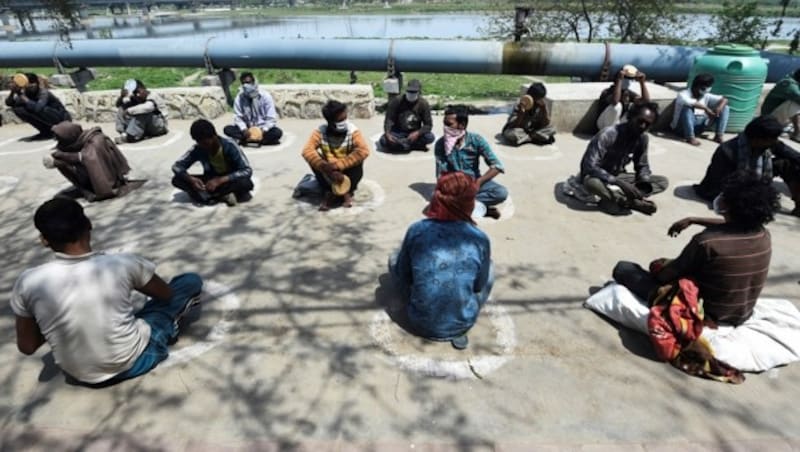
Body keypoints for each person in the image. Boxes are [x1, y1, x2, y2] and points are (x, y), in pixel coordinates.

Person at [11, 197, 203, 385]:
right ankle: (168, 330)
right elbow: (166, 294)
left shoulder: (28, 281)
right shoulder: (121, 263)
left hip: (78, 374)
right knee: (188, 282)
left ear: (44, 240)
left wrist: (53, 315)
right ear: (88, 225)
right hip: (135, 361)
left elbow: (27, 346)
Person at [613, 171, 779, 326]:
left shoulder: (706, 242)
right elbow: (733, 225)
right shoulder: (763, 234)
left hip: (704, 312)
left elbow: (665, 276)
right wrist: (694, 220)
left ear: (729, 204)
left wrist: (660, 267)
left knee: (625, 268)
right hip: (742, 313)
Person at [389, 171, 493, 350]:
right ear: (470, 203)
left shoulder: (417, 230)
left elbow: (404, 276)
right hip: (463, 323)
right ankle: (457, 328)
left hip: (418, 321)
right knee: (489, 268)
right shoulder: (479, 238)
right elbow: (478, 286)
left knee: (394, 258)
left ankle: (428, 309)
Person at [693, 115, 800, 216]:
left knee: (788, 164)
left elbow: (794, 156)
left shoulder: (768, 143)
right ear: (758, 138)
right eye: (772, 139)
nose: (775, 142)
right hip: (725, 187)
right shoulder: (727, 151)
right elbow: (722, 184)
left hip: (751, 178)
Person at [578, 102, 669, 215]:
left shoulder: (642, 138)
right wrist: (618, 183)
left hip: (619, 176)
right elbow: (589, 166)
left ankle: (616, 198)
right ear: (630, 117)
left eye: (647, 124)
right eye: (640, 121)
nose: (642, 126)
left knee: (662, 181)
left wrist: (642, 183)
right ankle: (627, 202)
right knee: (591, 183)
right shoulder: (608, 134)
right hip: (599, 177)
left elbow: (642, 165)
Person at [435, 105, 508, 219]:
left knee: (500, 193)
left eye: (449, 124)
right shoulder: (440, 144)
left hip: (474, 181)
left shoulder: (476, 140)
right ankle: (480, 209)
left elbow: (497, 166)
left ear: (462, 125)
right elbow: (441, 174)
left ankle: (466, 207)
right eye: (444, 123)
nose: (445, 127)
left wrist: (478, 182)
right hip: (454, 186)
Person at [301, 100, 370, 211]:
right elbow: (307, 151)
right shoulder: (320, 131)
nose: (344, 122)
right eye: (340, 120)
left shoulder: (353, 131)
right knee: (313, 159)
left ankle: (347, 191)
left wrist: (338, 166)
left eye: (345, 118)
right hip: (328, 172)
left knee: (358, 159)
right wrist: (324, 166)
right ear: (330, 121)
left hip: (348, 171)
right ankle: (331, 191)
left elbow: (364, 151)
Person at [172, 119, 254, 207]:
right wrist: (191, 180)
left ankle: (209, 196)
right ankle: (221, 195)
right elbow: (177, 166)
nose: (203, 147)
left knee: (246, 183)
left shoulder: (229, 145)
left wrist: (220, 180)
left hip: (229, 179)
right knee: (177, 179)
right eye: (200, 143)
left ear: (214, 136)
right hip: (209, 180)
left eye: (206, 143)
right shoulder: (198, 148)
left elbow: (247, 170)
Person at [43, 121, 133, 202]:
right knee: (61, 160)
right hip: (97, 169)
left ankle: (92, 187)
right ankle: (86, 185)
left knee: (61, 161)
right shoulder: (79, 139)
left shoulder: (95, 141)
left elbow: (87, 159)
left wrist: (60, 158)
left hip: (108, 177)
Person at [223, 72, 283, 146]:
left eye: (248, 83)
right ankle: (256, 140)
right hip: (247, 129)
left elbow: (271, 118)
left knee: (277, 132)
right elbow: (238, 117)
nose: (246, 85)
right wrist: (244, 129)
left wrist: (263, 131)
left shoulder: (265, 96)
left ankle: (251, 140)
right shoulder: (239, 97)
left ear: (254, 82)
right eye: (243, 83)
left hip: (262, 129)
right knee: (227, 129)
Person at [5, 73, 70, 139]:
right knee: (18, 109)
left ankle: (58, 130)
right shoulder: (26, 93)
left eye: (32, 84)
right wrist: (12, 92)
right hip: (49, 118)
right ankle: (46, 132)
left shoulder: (43, 93)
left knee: (43, 109)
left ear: (37, 83)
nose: (30, 86)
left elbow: (37, 108)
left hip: (61, 119)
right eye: (28, 84)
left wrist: (21, 95)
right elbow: (10, 103)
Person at [671, 73, 730, 146]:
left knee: (725, 108)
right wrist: (706, 109)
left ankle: (719, 135)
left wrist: (719, 108)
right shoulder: (683, 94)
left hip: (699, 126)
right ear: (697, 86)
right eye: (704, 88)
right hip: (681, 128)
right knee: (687, 109)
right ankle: (690, 137)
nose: (706, 90)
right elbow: (692, 103)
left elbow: (724, 99)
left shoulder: (705, 95)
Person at [379, 79, 435, 152]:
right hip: (398, 132)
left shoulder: (423, 104)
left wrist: (418, 133)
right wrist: (388, 133)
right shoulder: (396, 101)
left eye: (414, 92)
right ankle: (408, 145)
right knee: (383, 141)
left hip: (414, 133)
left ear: (419, 92)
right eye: (409, 91)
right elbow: (389, 119)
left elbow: (428, 125)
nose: (411, 94)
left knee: (430, 137)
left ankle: (403, 146)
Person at [595, 65, 651, 131]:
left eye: (629, 79)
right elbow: (615, 101)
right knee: (617, 106)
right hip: (603, 124)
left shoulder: (628, 93)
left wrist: (642, 82)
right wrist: (619, 80)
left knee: (637, 106)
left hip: (618, 124)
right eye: (625, 78)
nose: (627, 81)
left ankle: (622, 132)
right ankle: (609, 133)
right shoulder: (608, 91)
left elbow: (645, 101)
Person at [114, 79, 168, 144]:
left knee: (142, 112)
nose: (137, 95)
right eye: (134, 93)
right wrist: (122, 96)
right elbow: (118, 105)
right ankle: (123, 133)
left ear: (143, 89)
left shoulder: (153, 95)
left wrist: (129, 110)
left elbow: (148, 107)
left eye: (138, 92)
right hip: (147, 126)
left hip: (160, 126)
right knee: (122, 108)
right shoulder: (136, 97)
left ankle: (130, 137)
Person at [761, 69, 800, 142]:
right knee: (795, 104)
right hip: (769, 118)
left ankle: (788, 128)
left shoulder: (795, 81)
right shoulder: (789, 85)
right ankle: (797, 133)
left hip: (779, 116)